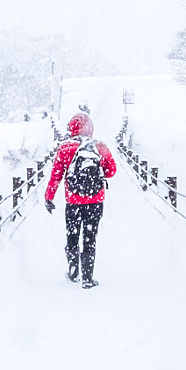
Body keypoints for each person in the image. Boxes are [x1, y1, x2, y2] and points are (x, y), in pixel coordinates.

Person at [44, 112, 118, 288]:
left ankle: (73, 272)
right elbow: (112, 170)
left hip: (73, 202)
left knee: (72, 236)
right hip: (95, 202)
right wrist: (97, 176)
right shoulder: (99, 146)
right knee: (90, 237)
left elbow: (56, 177)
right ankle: (88, 278)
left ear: (71, 127)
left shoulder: (65, 148)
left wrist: (49, 197)